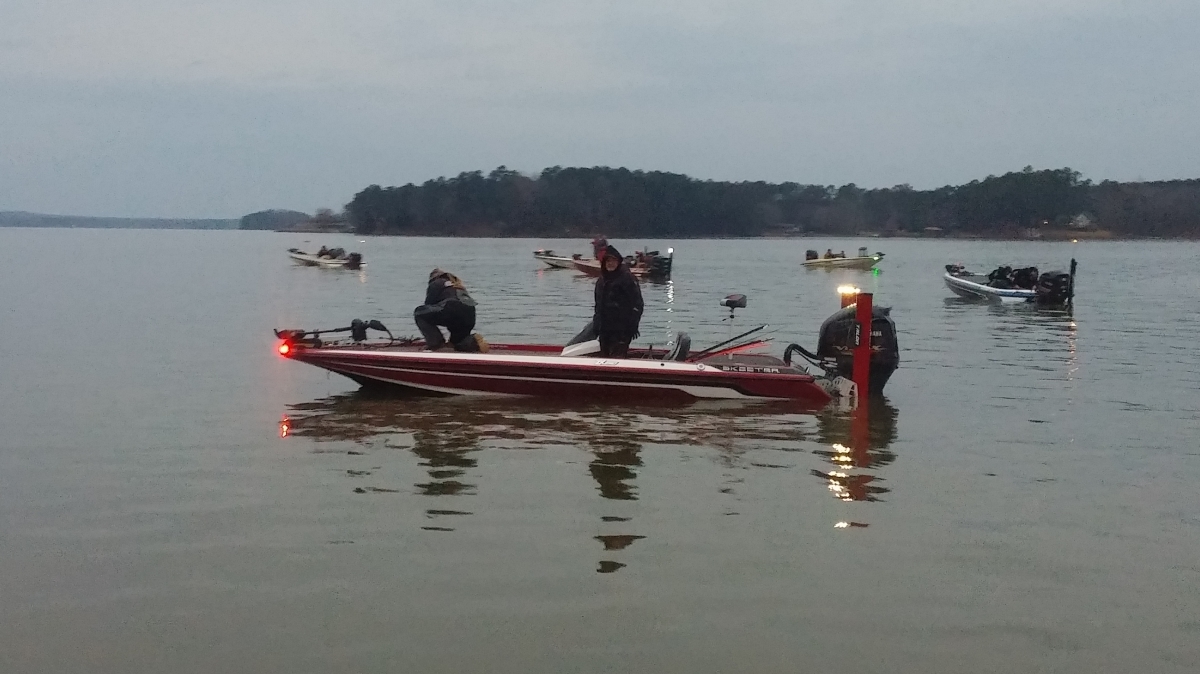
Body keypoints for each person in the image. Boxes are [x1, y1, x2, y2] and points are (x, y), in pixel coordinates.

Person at [414, 268, 487, 352]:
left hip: (452, 309)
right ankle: (473, 343)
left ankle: (437, 344)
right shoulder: (457, 284)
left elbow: (429, 304)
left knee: (420, 313)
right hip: (469, 314)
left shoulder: (437, 282)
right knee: (456, 344)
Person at [593, 245, 644, 358]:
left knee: (617, 357)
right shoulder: (601, 281)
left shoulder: (627, 279)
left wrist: (633, 325)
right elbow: (598, 305)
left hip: (622, 329)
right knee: (604, 357)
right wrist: (596, 323)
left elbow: (638, 304)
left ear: (619, 262)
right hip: (604, 329)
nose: (610, 263)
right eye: (608, 261)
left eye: (613, 261)